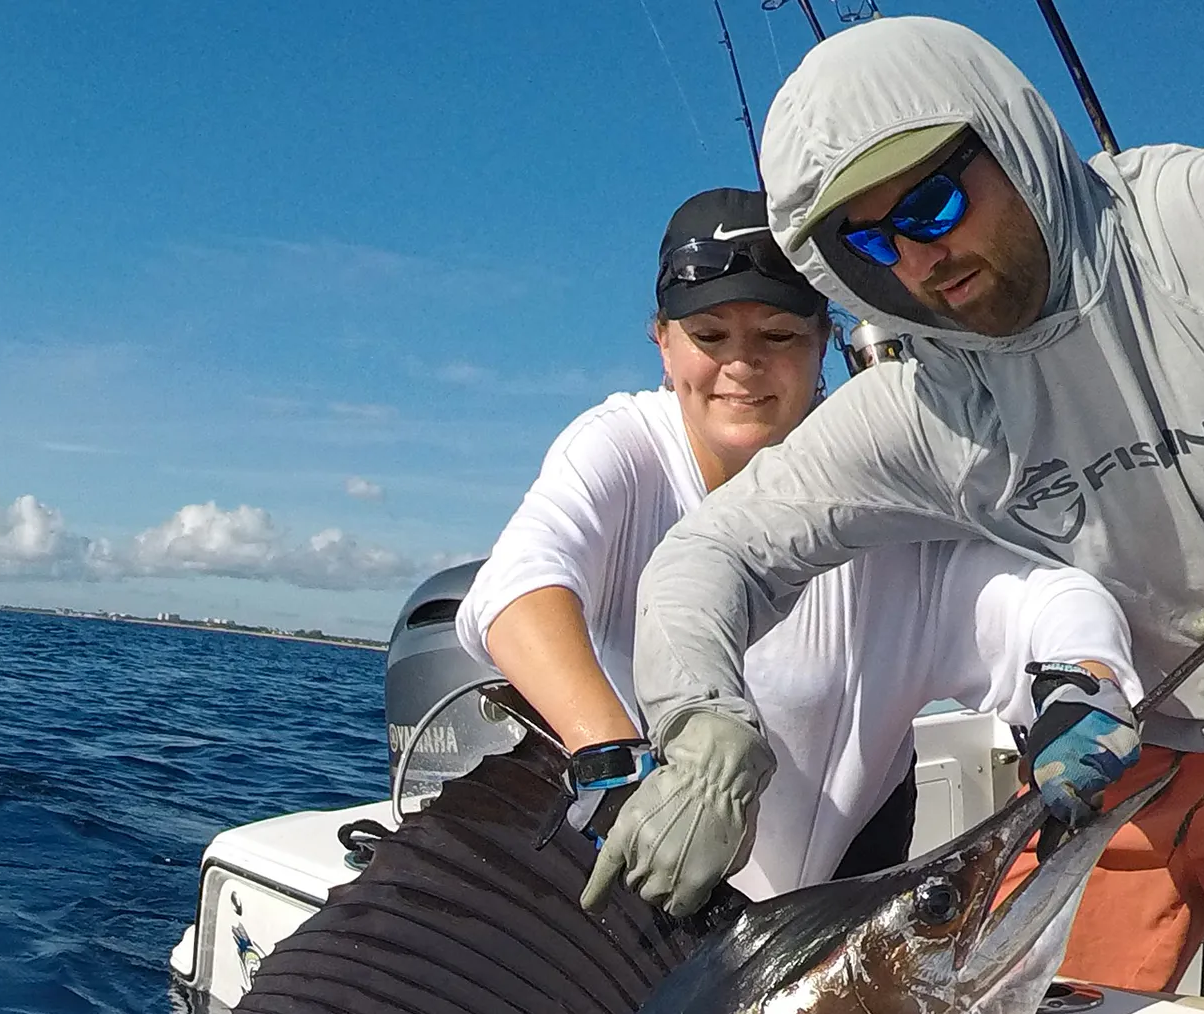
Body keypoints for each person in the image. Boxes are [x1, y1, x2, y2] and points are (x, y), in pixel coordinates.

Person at [602, 16, 1204, 1014]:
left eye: (935, 202)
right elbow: (719, 550)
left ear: (1013, 140)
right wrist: (699, 720)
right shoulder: (925, 408)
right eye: (868, 240)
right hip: (1123, 753)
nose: (918, 257)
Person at [457, 185, 1144, 910]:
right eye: (710, 336)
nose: (742, 366)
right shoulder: (626, 448)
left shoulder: (890, 488)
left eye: (778, 336)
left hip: (801, 922)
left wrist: (1084, 672)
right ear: (661, 342)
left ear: (823, 341)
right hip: (616, 884)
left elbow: (1042, 598)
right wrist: (611, 761)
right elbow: (517, 588)